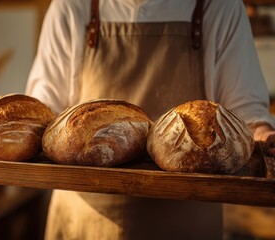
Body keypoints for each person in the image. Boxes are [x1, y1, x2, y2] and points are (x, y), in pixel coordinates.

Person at [25, 0, 275, 239]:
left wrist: (264, 137)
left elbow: (246, 117)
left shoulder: (220, 6)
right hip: (83, 221)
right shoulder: (71, 5)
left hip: (186, 219)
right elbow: (44, 113)